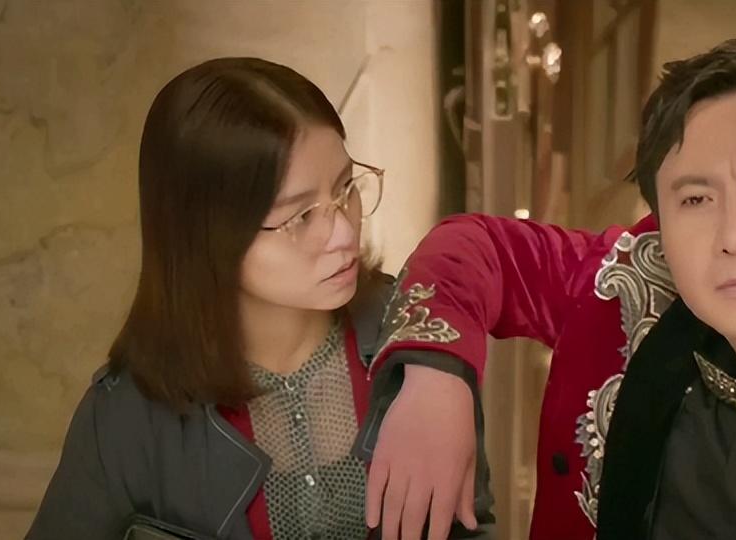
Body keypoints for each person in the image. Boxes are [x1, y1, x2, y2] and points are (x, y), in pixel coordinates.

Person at [364, 39, 736, 539]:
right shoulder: (631, 281)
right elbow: (475, 246)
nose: (735, 237)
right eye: (696, 199)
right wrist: (435, 375)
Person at [27, 57, 492, 540]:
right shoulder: (125, 419)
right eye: (300, 217)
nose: (343, 233)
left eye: (346, 189)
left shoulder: (419, 345)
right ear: (208, 235)